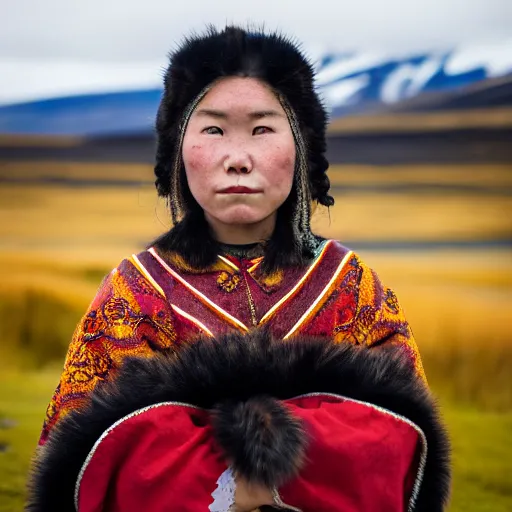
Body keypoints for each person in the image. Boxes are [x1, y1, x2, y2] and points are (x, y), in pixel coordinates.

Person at [28, 25, 450, 511]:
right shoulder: (136, 292)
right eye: (212, 129)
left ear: (302, 150)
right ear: (176, 153)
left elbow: (403, 442)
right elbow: (87, 461)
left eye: (263, 128)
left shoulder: (351, 286)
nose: (238, 159)